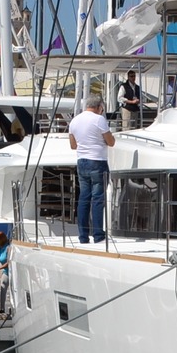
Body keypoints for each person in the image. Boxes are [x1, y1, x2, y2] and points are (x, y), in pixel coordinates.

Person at [68, 97, 116, 244]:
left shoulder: (74, 121)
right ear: (99, 106)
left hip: (81, 162)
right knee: (97, 199)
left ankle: (83, 236)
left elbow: (73, 145)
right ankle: (98, 235)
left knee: (83, 198)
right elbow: (111, 142)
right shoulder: (99, 119)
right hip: (98, 162)